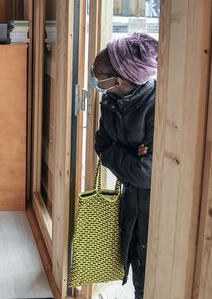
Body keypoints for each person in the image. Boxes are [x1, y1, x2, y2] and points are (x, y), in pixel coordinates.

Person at [91, 32, 158, 299]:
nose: (94, 79)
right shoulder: (110, 100)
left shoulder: (157, 107)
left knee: (147, 276)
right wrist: (130, 152)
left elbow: (147, 173)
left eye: (97, 75)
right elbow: (100, 145)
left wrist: (115, 152)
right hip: (131, 201)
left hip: (154, 207)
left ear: (117, 80)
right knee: (133, 265)